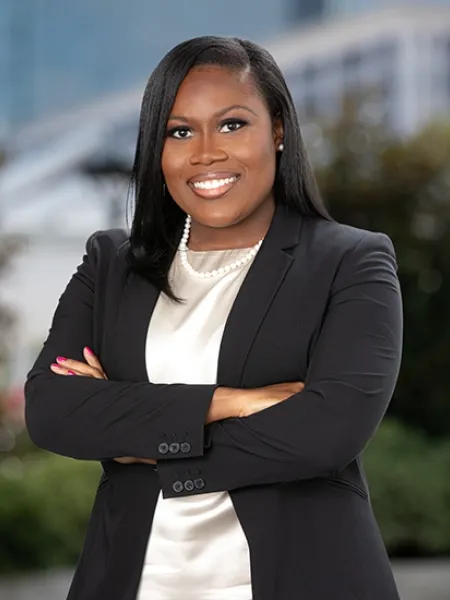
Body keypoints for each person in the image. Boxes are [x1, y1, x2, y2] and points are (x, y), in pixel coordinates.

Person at [24, 36, 403, 600]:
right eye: (179, 132)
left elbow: (328, 433)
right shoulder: (111, 265)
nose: (206, 152)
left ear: (277, 129)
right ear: (157, 147)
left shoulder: (350, 260)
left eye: (231, 125)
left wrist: (141, 438)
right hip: (132, 582)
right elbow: (54, 412)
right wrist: (228, 401)